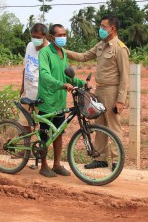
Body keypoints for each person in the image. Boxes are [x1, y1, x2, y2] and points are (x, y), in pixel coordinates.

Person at [66, 15, 130, 170]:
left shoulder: (120, 48)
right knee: (99, 124)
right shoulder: (101, 45)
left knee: (113, 126)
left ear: (112, 28)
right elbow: (83, 56)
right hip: (99, 90)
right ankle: (100, 158)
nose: (100, 29)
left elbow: (125, 77)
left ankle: (117, 160)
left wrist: (121, 100)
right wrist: (63, 51)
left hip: (112, 90)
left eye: (103, 26)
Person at [36, 24, 85, 177]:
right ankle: (43, 166)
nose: (63, 37)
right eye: (60, 35)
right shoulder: (45, 52)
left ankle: (56, 164)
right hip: (47, 99)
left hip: (59, 100)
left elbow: (67, 75)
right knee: (45, 134)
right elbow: (44, 74)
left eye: (64, 34)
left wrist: (82, 83)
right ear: (51, 37)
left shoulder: (62, 52)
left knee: (58, 133)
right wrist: (61, 85)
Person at [18, 23, 49, 132]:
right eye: (33, 36)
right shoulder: (30, 46)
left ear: (45, 36)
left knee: (43, 126)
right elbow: (25, 67)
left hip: (41, 95)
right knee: (23, 123)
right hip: (28, 93)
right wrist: (22, 88)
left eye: (38, 37)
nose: (35, 39)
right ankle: (25, 148)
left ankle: (41, 148)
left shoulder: (49, 50)